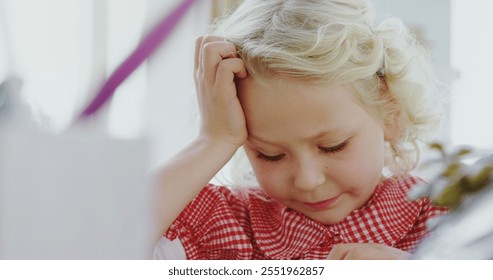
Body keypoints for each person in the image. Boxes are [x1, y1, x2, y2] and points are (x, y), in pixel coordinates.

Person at [154, 0, 446, 260]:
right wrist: (214, 140)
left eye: (333, 146)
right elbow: (111, 244)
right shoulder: (219, 226)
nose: (308, 180)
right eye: (270, 155)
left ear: (390, 114)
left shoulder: (451, 217)